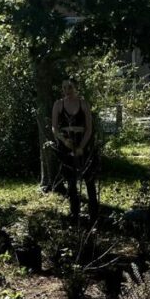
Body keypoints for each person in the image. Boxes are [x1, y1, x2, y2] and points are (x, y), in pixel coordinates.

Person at [51, 78, 99, 223]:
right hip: (66, 143)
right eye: (64, 87)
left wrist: (81, 147)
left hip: (82, 142)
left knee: (89, 179)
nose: (67, 90)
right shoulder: (58, 104)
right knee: (71, 181)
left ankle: (94, 214)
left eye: (70, 87)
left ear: (75, 87)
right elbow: (54, 128)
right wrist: (65, 141)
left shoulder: (83, 103)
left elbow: (89, 128)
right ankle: (75, 213)